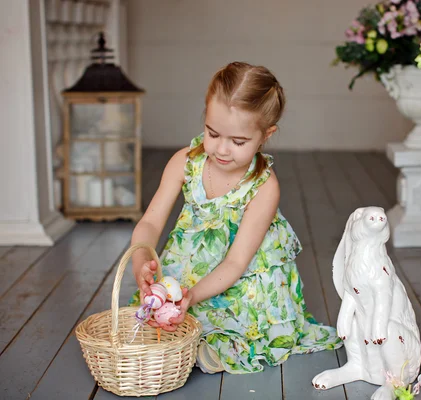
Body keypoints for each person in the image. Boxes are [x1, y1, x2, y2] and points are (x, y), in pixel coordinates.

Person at [129, 61, 342, 374]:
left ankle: (214, 344)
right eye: (213, 133)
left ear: (265, 136)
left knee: (241, 327)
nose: (222, 150)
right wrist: (140, 261)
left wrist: (191, 296)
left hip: (243, 276)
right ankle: (188, 333)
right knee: (157, 316)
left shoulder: (264, 188)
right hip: (194, 264)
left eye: (238, 142)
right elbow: (150, 222)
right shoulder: (185, 162)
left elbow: (235, 263)